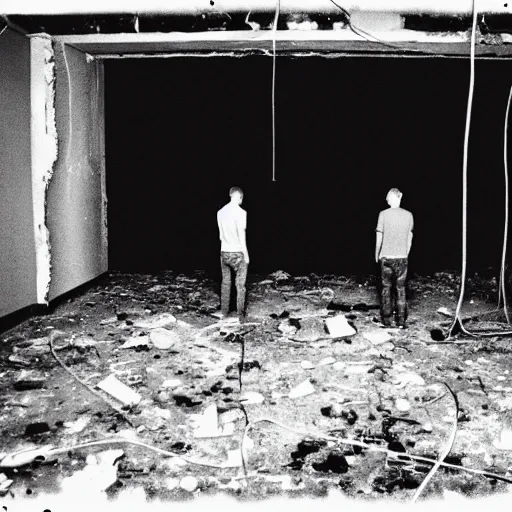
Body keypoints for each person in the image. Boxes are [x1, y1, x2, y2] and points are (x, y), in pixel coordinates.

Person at [375, 188, 414, 329]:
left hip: (387, 257)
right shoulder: (409, 215)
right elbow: (410, 237)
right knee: (401, 288)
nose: (386, 200)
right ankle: (401, 321)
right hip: (402, 258)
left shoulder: (383, 214)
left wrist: (377, 253)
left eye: (387, 198)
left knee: (386, 288)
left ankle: (386, 319)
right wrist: (405, 253)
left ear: (393, 198)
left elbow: (379, 236)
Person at [216, 186, 249, 322]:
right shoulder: (241, 213)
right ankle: (240, 315)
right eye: (241, 198)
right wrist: (246, 255)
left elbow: (221, 236)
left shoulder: (220, 212)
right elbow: (241, 236)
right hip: (237, 253)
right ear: (239, 197)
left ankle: (224, 312)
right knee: (240, 285)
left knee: (225, 283)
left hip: (224, 251)